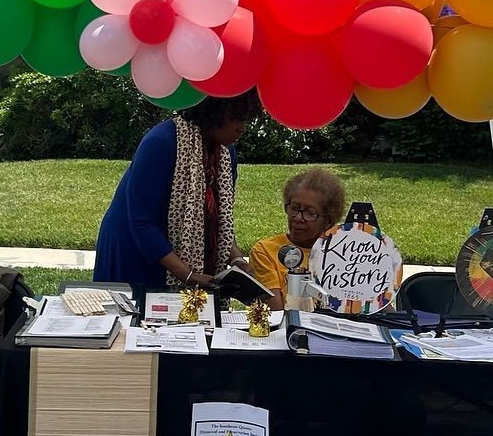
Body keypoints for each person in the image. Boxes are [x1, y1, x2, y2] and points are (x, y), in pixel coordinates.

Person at [93, 92, 260, 299]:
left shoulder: (227, 154)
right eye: (236, 118)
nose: (242, 128)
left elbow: (219, 220)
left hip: (173, 251)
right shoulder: (160, 142)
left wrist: (236, 260)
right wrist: (187, 274)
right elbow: (142, 221)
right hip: (135, 248)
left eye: (246, 119)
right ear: (213, 112)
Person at [249, 167, 348, 310]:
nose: (298, 218)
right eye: (294, 208)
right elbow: (277, 313)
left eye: (310, 212)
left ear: (328, 221)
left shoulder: (344, 253)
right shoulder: (265, 251)